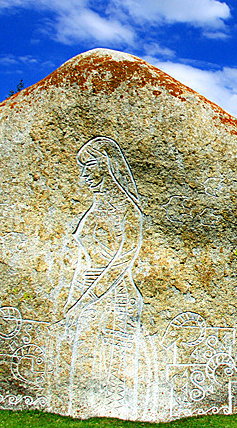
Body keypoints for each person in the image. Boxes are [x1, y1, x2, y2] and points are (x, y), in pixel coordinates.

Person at [63, 136, 145, 415]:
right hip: (88, 293)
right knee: (84, 362)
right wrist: (73, 300)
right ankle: (83, 411)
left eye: (91, 166)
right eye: (82, 167)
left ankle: (116, 412)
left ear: (108, 166)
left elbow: (121, 262)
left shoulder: (128, 211)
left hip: (115, 298)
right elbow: (83, 262)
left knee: (112, 365)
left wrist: (85, 300)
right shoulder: (94, 209)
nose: (84, 174)